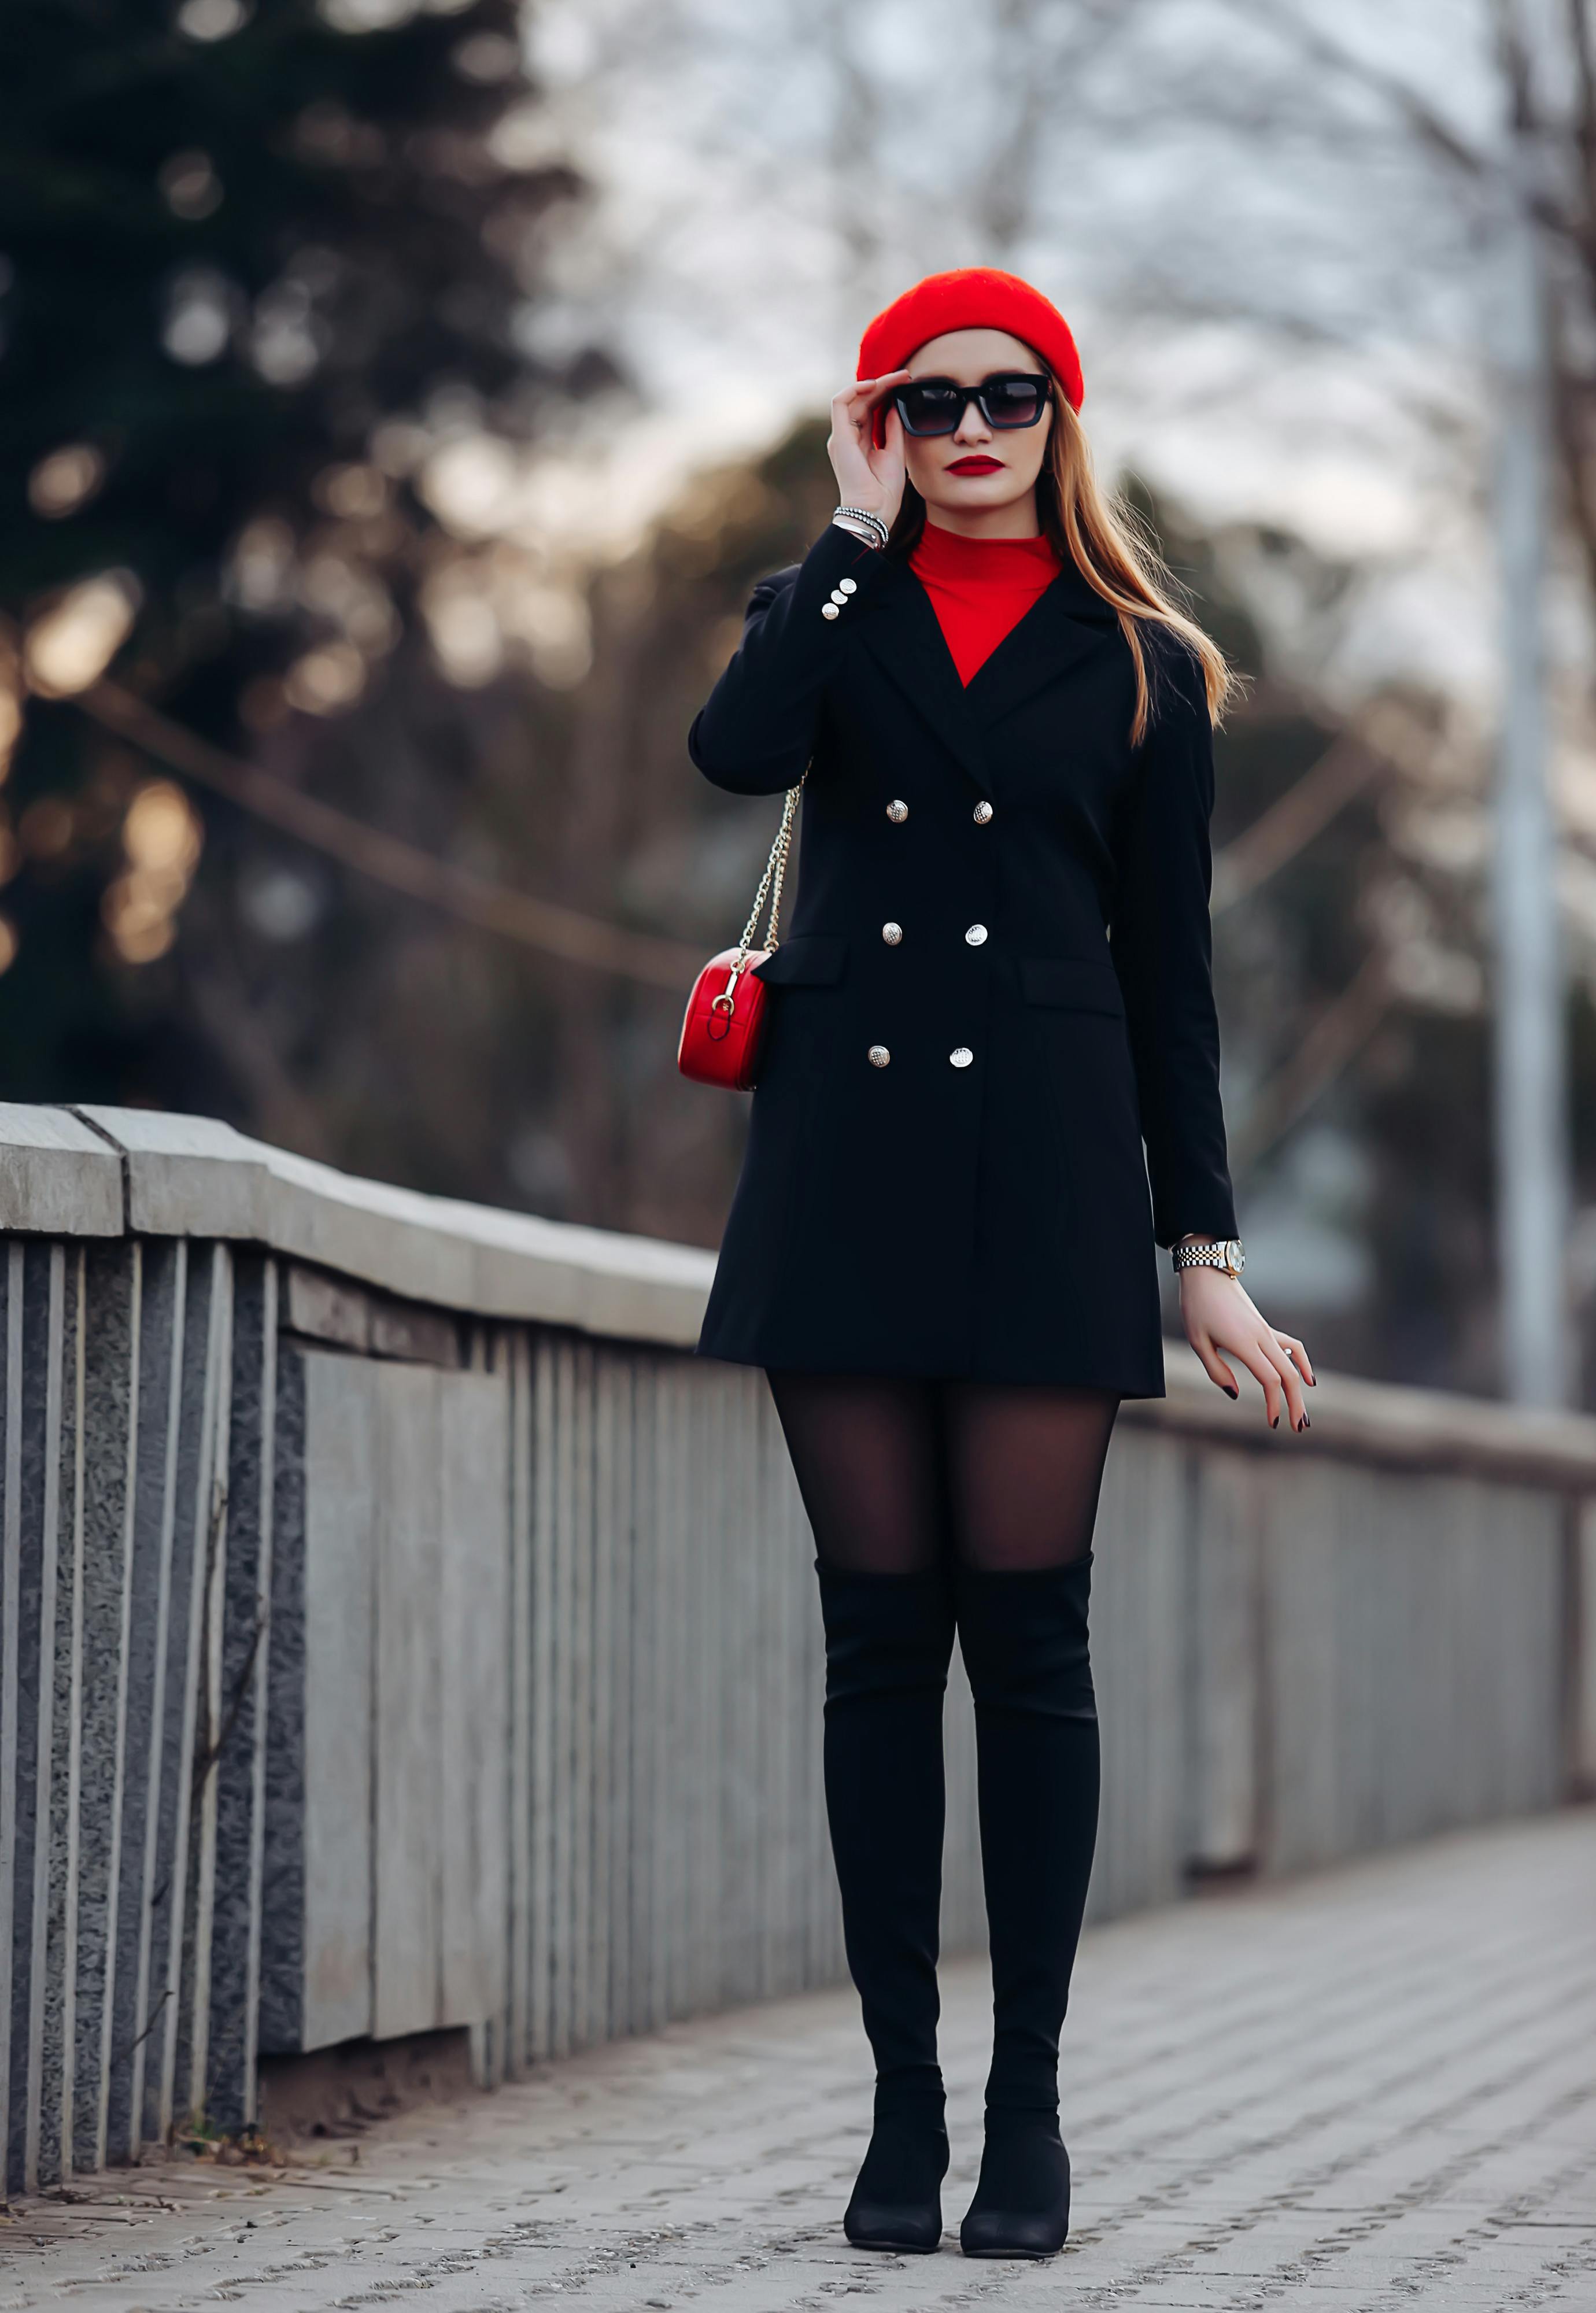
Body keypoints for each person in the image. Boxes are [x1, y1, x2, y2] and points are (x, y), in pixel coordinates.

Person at [686, 267, 1314, 2262]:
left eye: (1010, 396)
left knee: (1030, 1647)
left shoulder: (1144, 663)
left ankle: (1029, 2110)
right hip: (848, 1165)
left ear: (1064, 415)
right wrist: (845, 535)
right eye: (928, 399)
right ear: (880, 418)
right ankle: (900, 2107)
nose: (972, 429)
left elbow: (1174, 989)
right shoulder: (836, 610)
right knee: (878, 1642)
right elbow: (733, 749)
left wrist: (1200, 1250)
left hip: (1046, 1176)